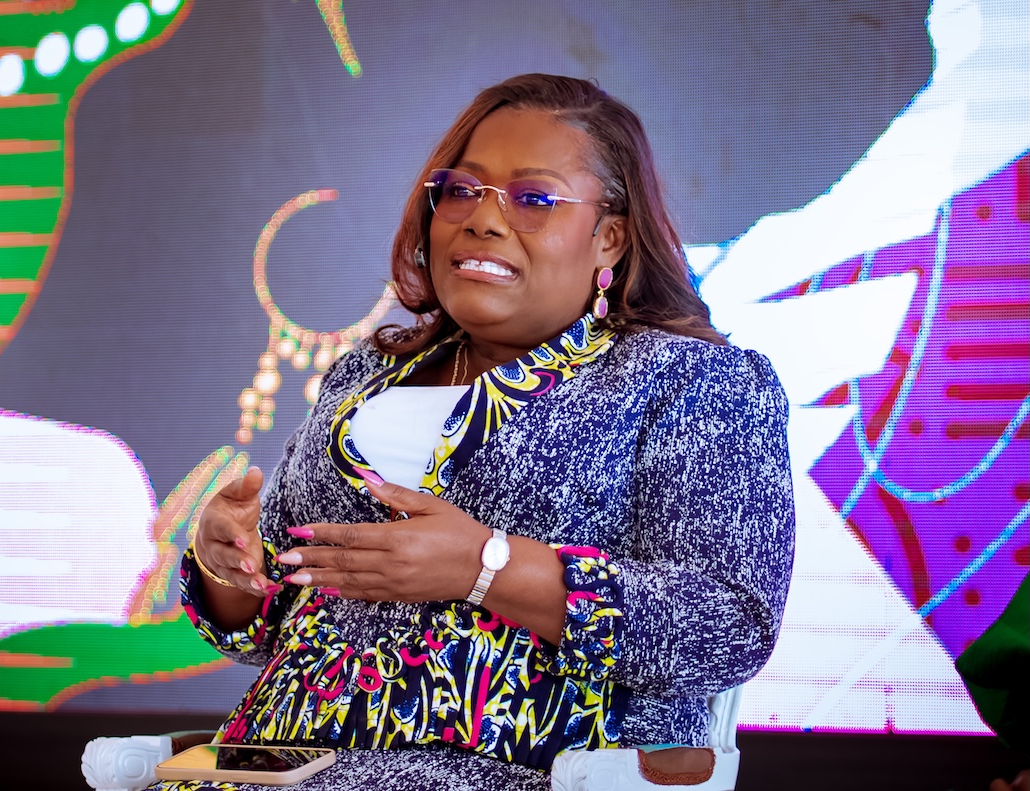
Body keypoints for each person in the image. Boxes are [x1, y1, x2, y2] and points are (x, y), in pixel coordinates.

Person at [176, 74, 795, 789]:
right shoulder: (364, 374)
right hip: (277, 761)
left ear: (609, 238)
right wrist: (229, 566)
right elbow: (269, 620)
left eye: (533, 199)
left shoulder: (690, 380)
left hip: (526, 769)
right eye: (462, 190)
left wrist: (485, 568)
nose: (483, 218)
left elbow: (729, 627)